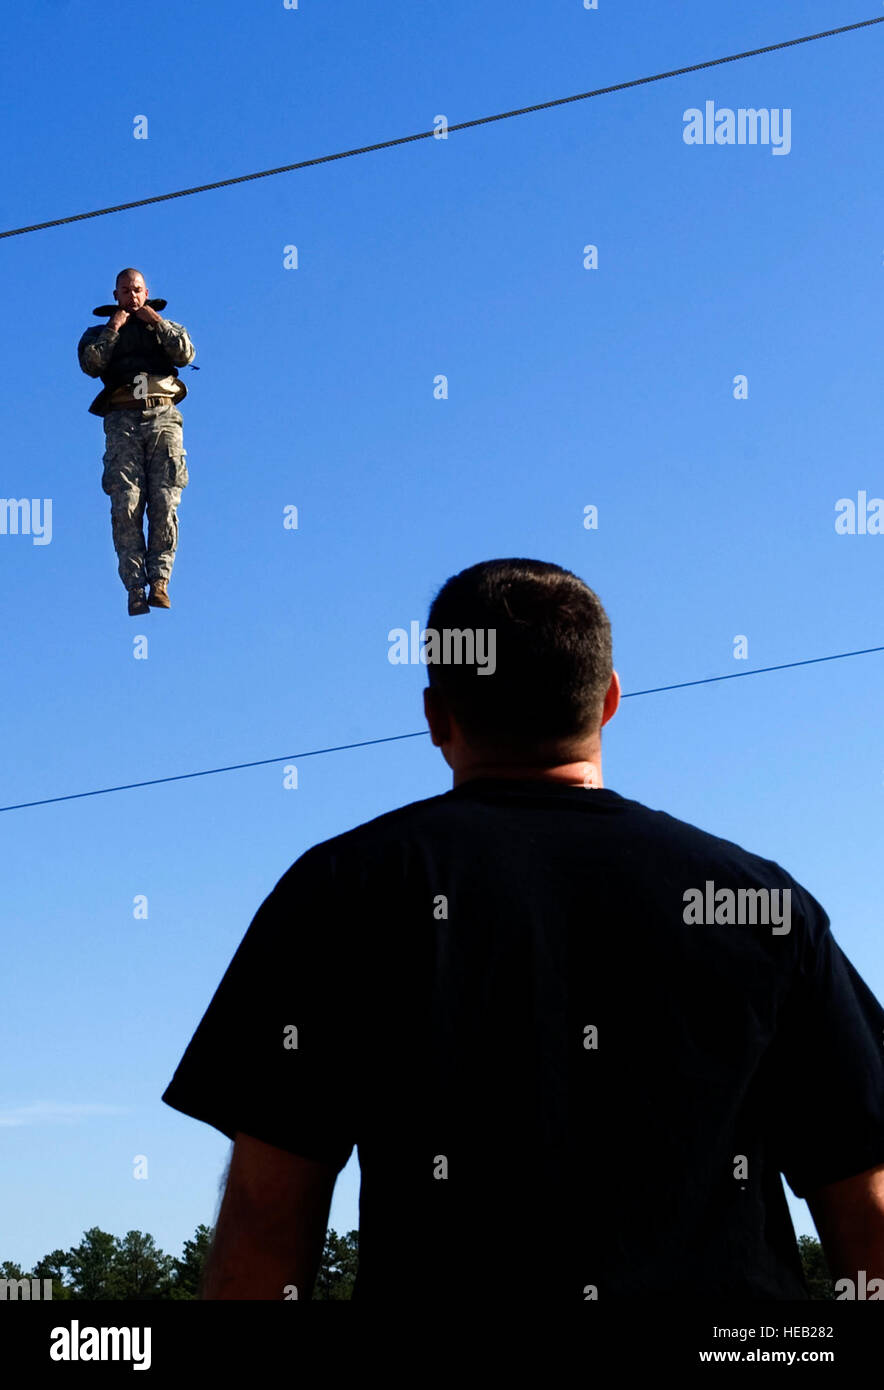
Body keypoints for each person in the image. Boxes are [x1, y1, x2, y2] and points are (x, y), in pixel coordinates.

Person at [161, 559, 884, 1303]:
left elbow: (264, 1224)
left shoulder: (342, 892)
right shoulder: (759, 901)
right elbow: (868, 1211)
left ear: (436, 715)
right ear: (608, 701)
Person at [78, 268, 195, 615]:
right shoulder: (98, 333)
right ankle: (134, 587)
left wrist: (155, 321)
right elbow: (91, 364)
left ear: (147, 292)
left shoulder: (165, 327)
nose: (132, 295)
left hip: (162, 416)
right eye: (126, 290)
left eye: (138, 289)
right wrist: (115, 327)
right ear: (115, 294)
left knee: (164, 498)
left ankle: (160, 580)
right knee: (127, 503)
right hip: (122, 419)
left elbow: (185, 355)